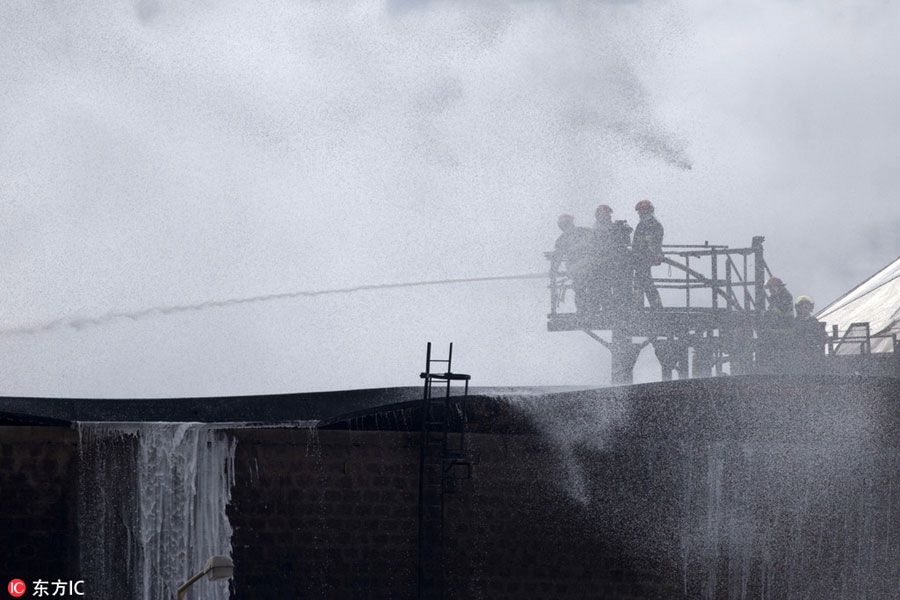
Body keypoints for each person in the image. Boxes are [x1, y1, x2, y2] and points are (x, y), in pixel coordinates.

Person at [551, 214, 597, 315]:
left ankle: (583, 312)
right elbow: (597, 242)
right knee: (591, 288)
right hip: (591, 265)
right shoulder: (585, 231)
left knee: (580, 290)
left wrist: (553, 270)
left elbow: (557, 258)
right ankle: (593, 310)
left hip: (577, 269)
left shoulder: (563, 239)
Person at [592, 205, 632, 312]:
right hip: (606, 264)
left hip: (616, 263)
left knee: (618, 287)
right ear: (599, 216)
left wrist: (623, 228)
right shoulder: (597, 230)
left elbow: (626, 241)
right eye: (605, 214)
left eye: (608, 214)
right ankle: (611, 309)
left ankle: (616, 309)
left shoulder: (614, 227)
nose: (608, 216)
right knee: (607, 287)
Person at [631, 200, 664, 309]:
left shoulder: (655, 225)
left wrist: (647, 255)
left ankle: (647, 308)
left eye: (641, 212)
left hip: (646, 258)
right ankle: (647, 307)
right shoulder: (642, 225)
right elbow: (636, 243)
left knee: (643, 283)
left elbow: (654, 244)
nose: (640, 215)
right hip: (641, 259)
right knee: (643, 283)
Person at [793, 295, 826, 371]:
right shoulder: (795, 323)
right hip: (799, 357)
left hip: (814, 356)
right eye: (802, 306)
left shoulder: (814, 322)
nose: (804, 309)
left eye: (806, 306)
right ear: (798, 309)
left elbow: (822, 335)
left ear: (810, 308)